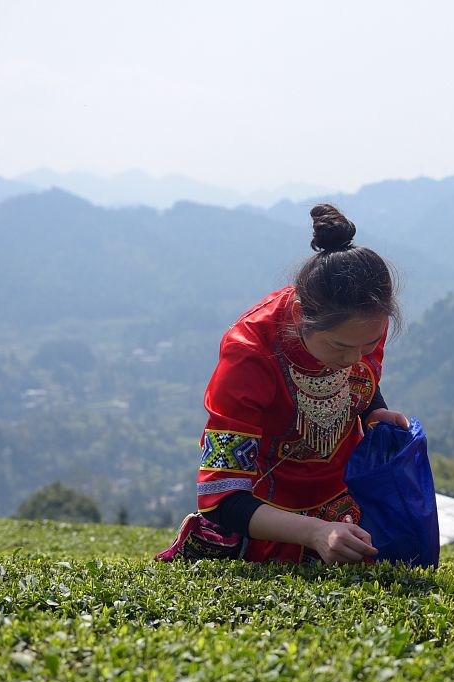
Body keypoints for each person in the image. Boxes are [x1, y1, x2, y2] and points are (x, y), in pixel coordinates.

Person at [156, 204, 408, 564]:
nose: (355, 359)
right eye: (340, 347)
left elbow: (362, 381)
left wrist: (374, 411)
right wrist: (315, 532)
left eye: (369, 345)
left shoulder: (361, 327)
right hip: (263, 517)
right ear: (300, 318)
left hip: (345, 503)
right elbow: (222, 496)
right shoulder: (249, 354)